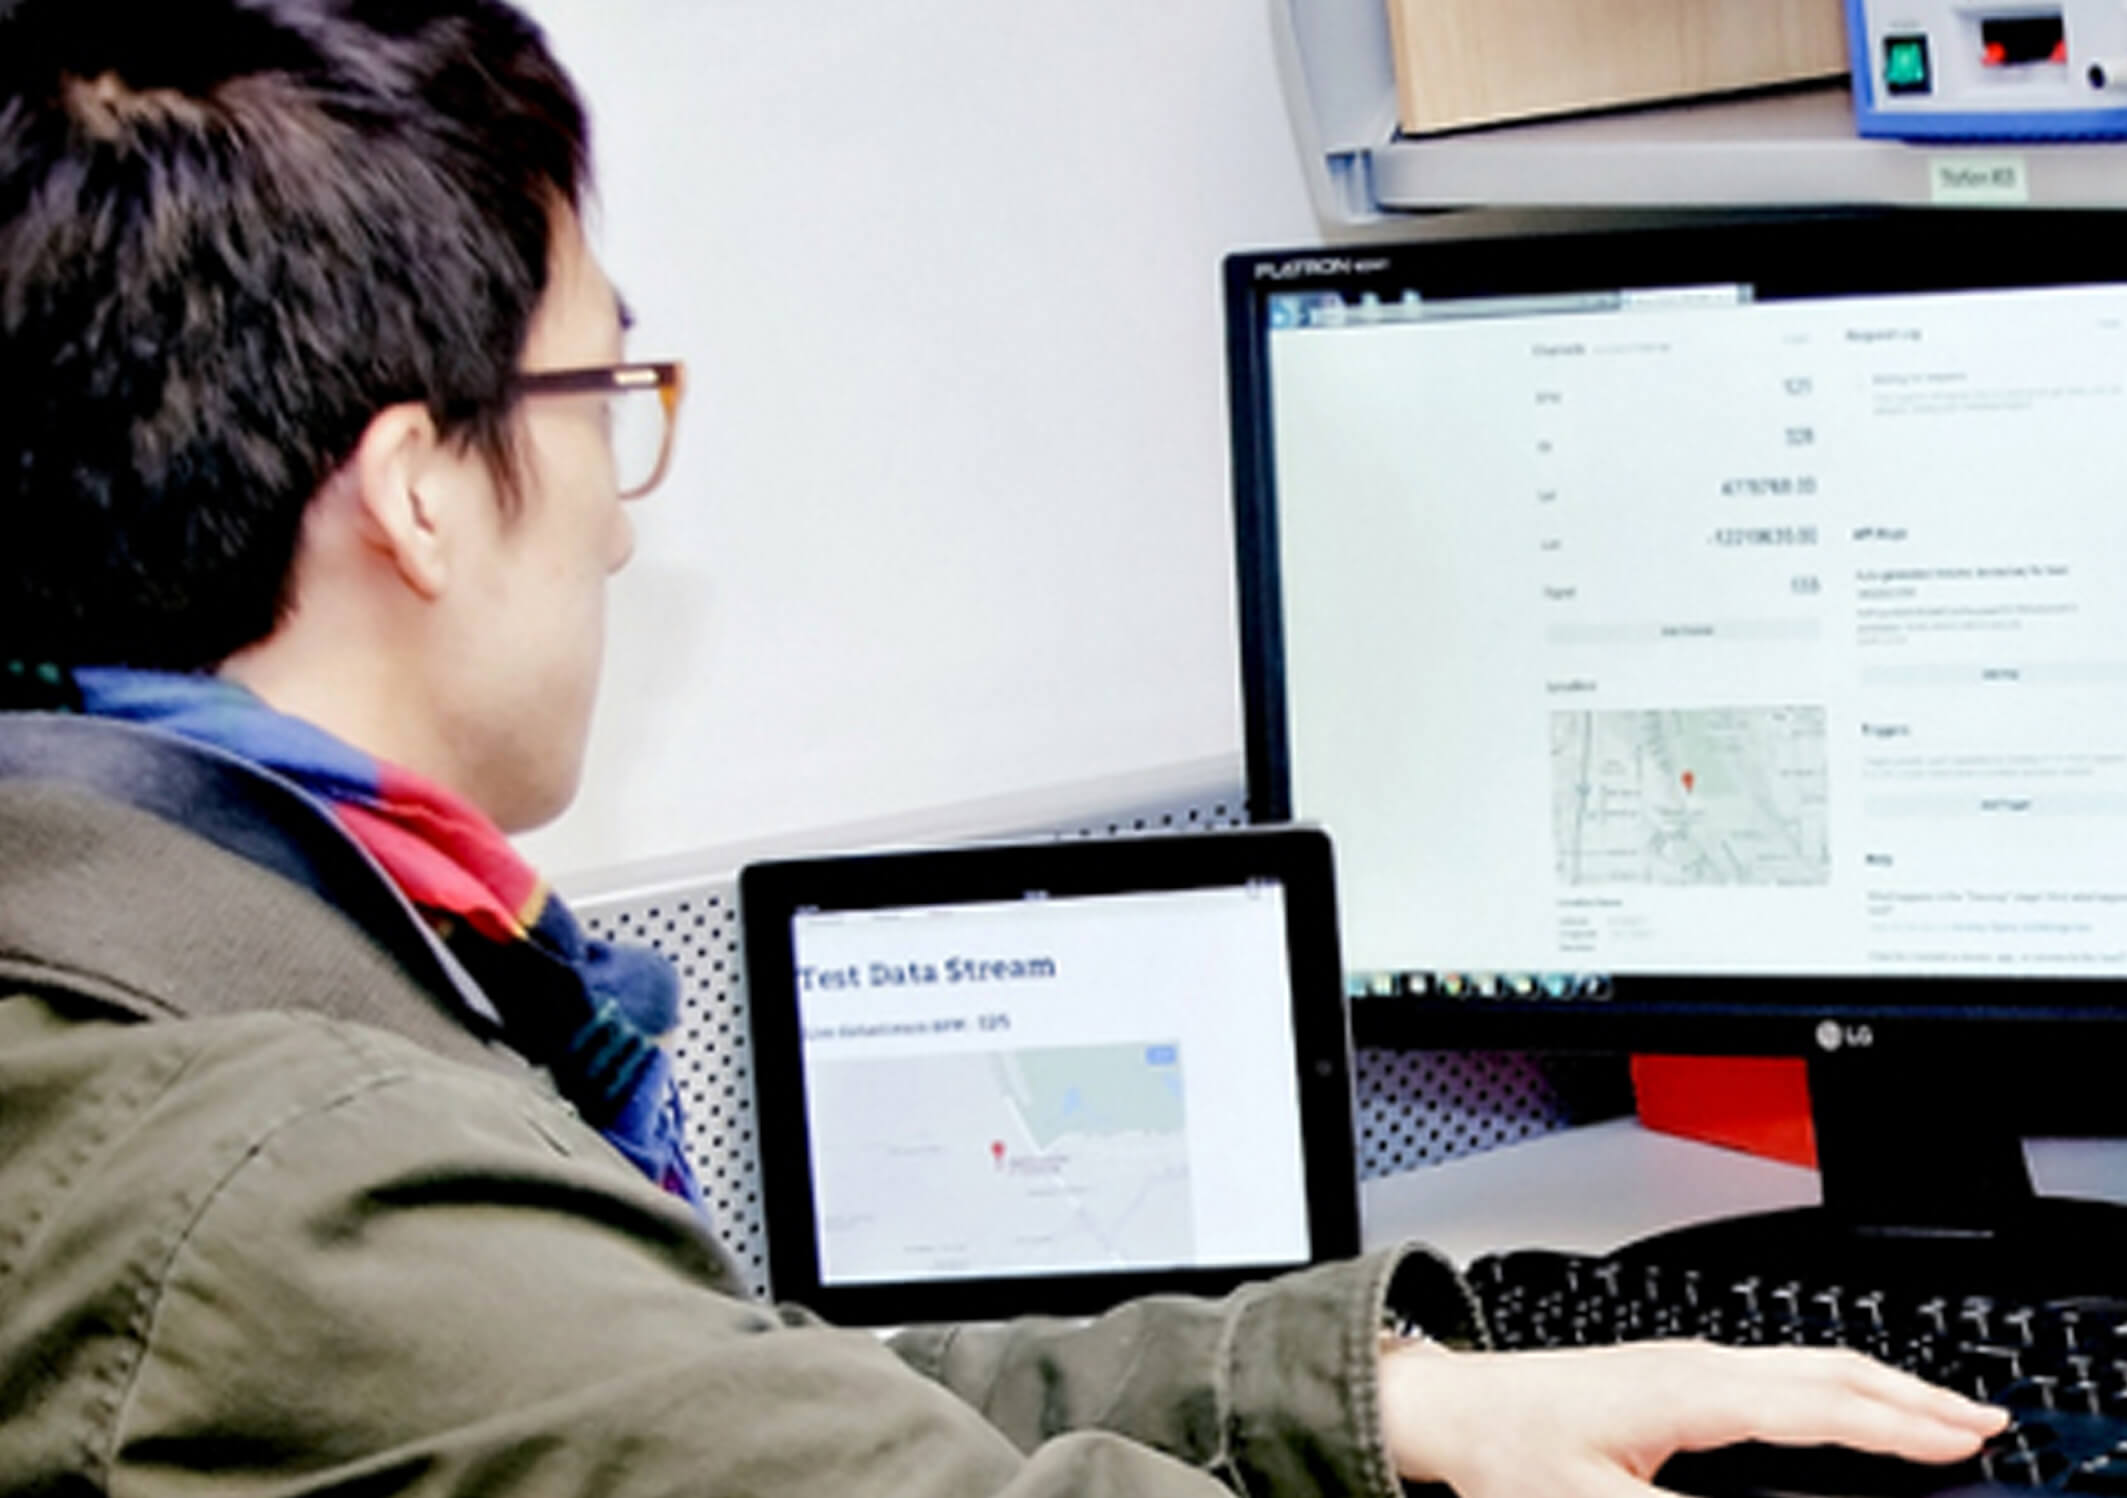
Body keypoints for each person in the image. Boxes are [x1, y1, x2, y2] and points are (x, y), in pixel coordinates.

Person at [0, 4, 2010, 1497]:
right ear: (422, 493)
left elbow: (722, 1383)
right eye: (599, 389)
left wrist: (1389, 1393)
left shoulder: (150, 949)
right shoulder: (287, 1172)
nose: (618, 509)